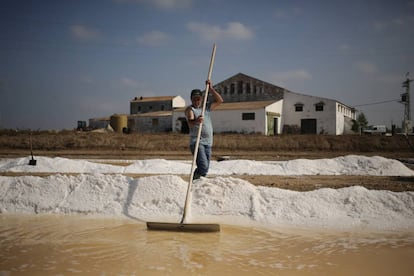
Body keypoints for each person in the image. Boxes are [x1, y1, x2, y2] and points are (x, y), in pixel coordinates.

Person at [185, 79, 223, 180]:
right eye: (194, 99)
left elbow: (220, 101)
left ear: (201, 99)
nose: (196, 101)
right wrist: (197, 120)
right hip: (197, 142)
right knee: (203, 167)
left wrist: (211, 89)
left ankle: (199, 184)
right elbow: (190, 121)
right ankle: (194, 181)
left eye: (198, 99)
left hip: (208, 142)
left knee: (205, 169)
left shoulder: (206, 108)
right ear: (191, 99)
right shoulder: (190, 109)